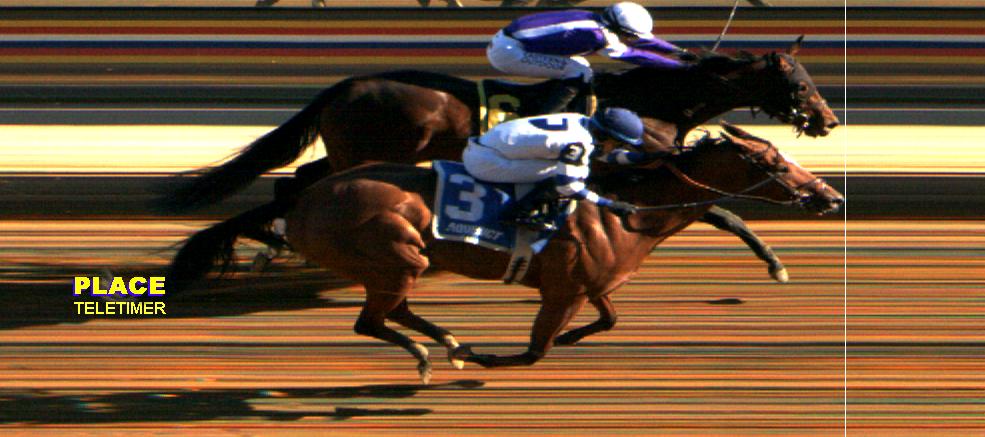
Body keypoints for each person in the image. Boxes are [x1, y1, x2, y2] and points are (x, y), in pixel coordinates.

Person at [463, 107, 664, 231]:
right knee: (571, 174)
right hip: (485, 163)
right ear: (603, 135)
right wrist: (609, 204)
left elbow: (600, 153)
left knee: (571, 167)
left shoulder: (582, 121)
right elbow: (568, 187)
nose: (619, 147)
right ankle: (518, 213)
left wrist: (643, 158)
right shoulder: (578, 143)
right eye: (619, 143)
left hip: (488, 148)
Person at [487, 2, 696, 114]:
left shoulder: (596, 19)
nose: (632, 39)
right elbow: (635, 55)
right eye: (630, 36)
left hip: (508, 41)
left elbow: (644, 41)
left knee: (580, 65)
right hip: (509, 53)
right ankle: (544, 117)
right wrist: (679, 67)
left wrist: (679, 52)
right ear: (619, 29)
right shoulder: (597, 35)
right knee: (579, 71)